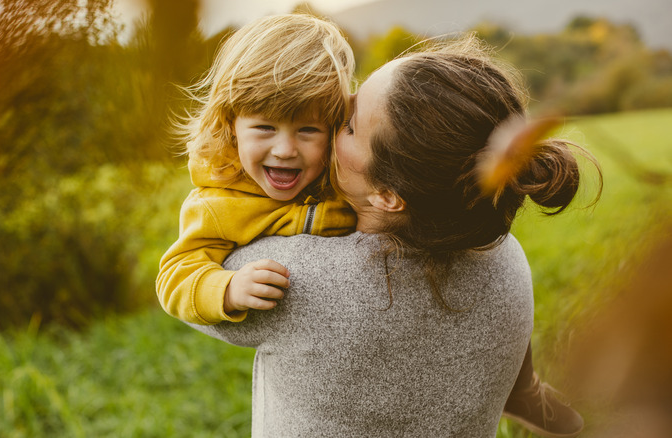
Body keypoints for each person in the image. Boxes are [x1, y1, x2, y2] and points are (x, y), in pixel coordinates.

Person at [185, 35, 600, 437]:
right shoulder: (505, 256)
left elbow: (196, 273)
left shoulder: (293, 278)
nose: (334, 114)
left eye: (347, 126)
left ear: (386, 195)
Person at [156, 14, 356, 326]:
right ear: (230, 125)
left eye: (308, 130)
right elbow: (175, 276)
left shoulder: (345, 176)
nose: (285, 150)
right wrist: (228, 289)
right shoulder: (219, 203)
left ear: (333, 130)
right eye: (265, 128)